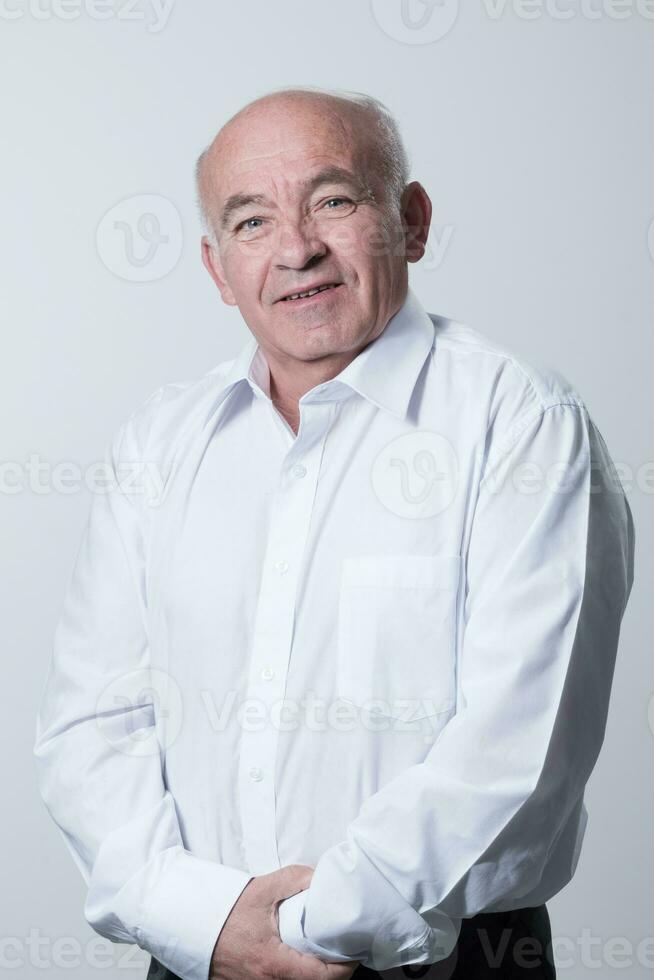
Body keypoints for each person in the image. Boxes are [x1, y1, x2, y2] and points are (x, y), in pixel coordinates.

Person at [33, 86, 635, 980]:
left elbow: (520, 751)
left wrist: (304, 932)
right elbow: (93, 722)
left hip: (452, 962)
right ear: (215, 268)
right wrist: (204, 921)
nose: (296, 249)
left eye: (334, 201)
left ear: (413, 221)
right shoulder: (159, 443)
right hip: (205, 954)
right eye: (250, 222)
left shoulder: (521, 423)